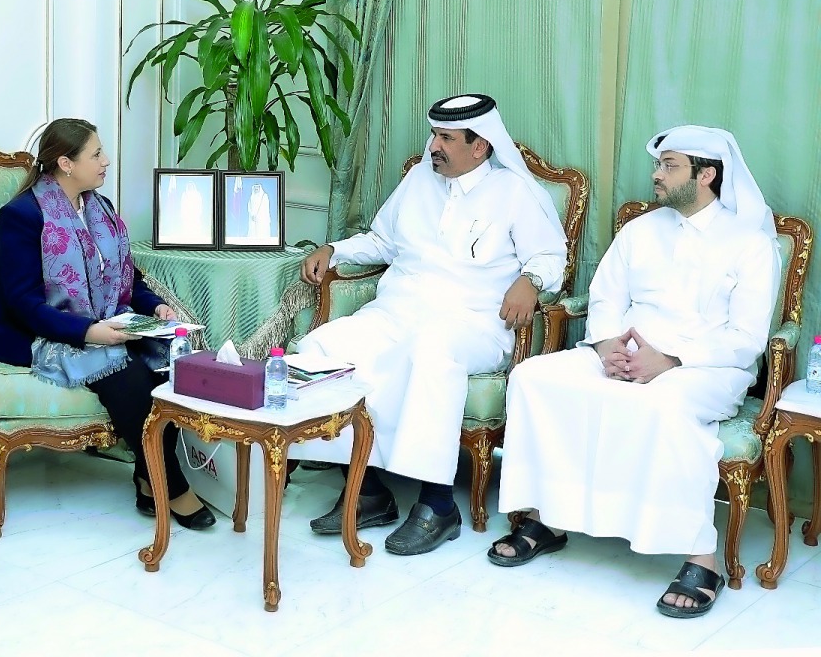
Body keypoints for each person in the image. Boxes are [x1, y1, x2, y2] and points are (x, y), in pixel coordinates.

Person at [489, 125, 780, 619]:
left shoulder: (749, 242)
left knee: (662, 405)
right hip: (622, 351)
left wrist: (668, 359)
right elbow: (605, 297)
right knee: (534, 378)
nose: (656, 175)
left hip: (707, 366)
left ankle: (699, 556)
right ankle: (545, 519)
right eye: (658, 165)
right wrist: (607, 347)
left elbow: (746, 338)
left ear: (707, 175)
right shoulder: (642, 229)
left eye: (670, 166)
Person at [292, 94, 568, 555]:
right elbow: (381, 240)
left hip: (473, 324)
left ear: (479, 146)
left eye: (445, 138)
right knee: (322, 346)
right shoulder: (421, 179)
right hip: (396, 313)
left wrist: (532, 279)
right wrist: (335, 251)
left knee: (432, 349)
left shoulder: (513, 192)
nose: (433, 145)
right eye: (433, 135)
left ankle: (438, 505)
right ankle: (368, 489)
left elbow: (550, 256)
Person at [0, 117, 216, 531]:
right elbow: (22, 303)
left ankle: (147, 478)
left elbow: (129, 278)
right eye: (96, 154)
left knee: (166, 361)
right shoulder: (21, 215)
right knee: (127, 375)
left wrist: (156, 307)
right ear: (66, 164)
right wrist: (87, 333)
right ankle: (171, 485)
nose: (106, 161)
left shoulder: (98, 207)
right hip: (31, 330)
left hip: (104, 323)